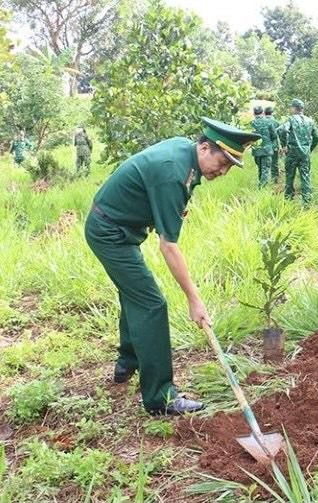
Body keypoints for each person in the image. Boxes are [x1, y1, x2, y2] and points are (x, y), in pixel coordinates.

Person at [85, 117, 260, 415]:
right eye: (222, 162)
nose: (224, 171)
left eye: (230, 166)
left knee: (134, 293)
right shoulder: (173, 174)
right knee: (151, 303)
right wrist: (194, 298)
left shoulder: (184, 151)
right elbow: (168, 246)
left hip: (118, 227)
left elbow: (162, 190)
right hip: (110, 234)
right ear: (204, 147)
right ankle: (160, 398)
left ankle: (128, 361)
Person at [277, 98, 318, 204]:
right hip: (305, 154)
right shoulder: (310, 121)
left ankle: (288, 200)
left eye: (291, 107)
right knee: (305, 176)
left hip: (292, 153)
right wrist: (309, 149)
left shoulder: (291, 119)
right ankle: (307, 201)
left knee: (290, 176)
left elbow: (281, 130)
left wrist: (284, 145)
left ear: (294, 108)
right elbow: (316, 137)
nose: (290, 109)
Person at [250, 106, 278, 188]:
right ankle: (262, 188)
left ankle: (261, 185)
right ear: (262, 113)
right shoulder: (269, 122)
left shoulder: (251, 124)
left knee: (260, 169)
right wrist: (272, 146)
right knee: (265, 169)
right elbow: (274, 136)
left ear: (254, 113)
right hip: (267, 150)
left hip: (256, 150)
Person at [264, 106, 281, 182]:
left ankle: (264, 180)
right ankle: (275, 179)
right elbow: (280, 134)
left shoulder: (262, 122)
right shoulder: (276, 123)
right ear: (272, 113)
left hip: (264, 146)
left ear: (264, 113)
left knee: (265, 164)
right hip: (274, 146)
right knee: (274, 163)